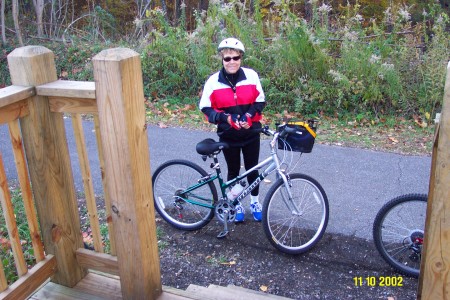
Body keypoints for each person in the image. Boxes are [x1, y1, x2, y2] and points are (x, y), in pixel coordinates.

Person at [199, 37, 266, 222]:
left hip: (251, 132)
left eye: (235, 58)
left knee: (253, 169)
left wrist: (249, 116)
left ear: (241, 58)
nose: (231, 62)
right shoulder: (213, 82)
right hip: (228, 134)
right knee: (233, 170)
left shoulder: (251, 76)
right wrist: (224, 118)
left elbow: (260, 100)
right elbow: (205, 107)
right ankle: (236, 205)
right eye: (227, 58)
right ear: (222, 58)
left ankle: (254, 201)